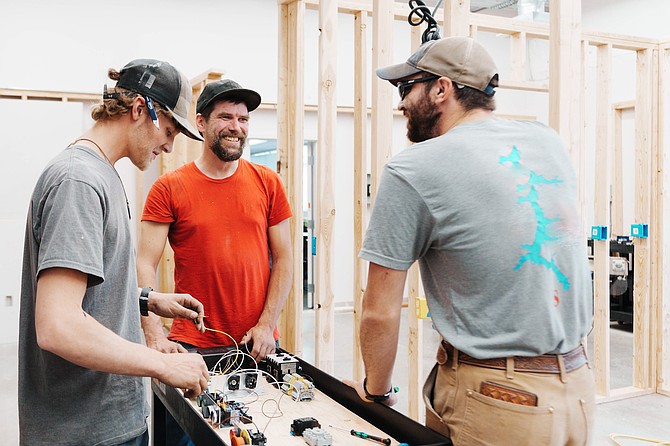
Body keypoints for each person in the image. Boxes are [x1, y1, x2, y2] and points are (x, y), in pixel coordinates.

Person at [346, 37, 595, 446]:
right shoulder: (547, 141)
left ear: (441, 89)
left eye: (406, 88)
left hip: (499, 402)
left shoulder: (413, 167)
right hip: (577, 391)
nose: (401, 103)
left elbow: (380, 311)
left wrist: (376, 392)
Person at [18, 59, 210, 446]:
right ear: (140, 109)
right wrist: (164, 365)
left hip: (108, 423)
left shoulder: (102, 173)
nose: (170, 146)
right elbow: (59, 325)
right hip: (86, 432)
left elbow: (89, 293)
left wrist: (148, 300)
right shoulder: (79, 181)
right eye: (169, 131)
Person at [136, 78, 293, 446]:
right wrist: (155, 335)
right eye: (226, 117)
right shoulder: (168, 187)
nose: (236, 127)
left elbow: (285, 258)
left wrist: (267, 325)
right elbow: (144, 264)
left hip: (256, 346)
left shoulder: (268, 183)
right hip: (191, 348)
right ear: (202, 122)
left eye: (243, 119)